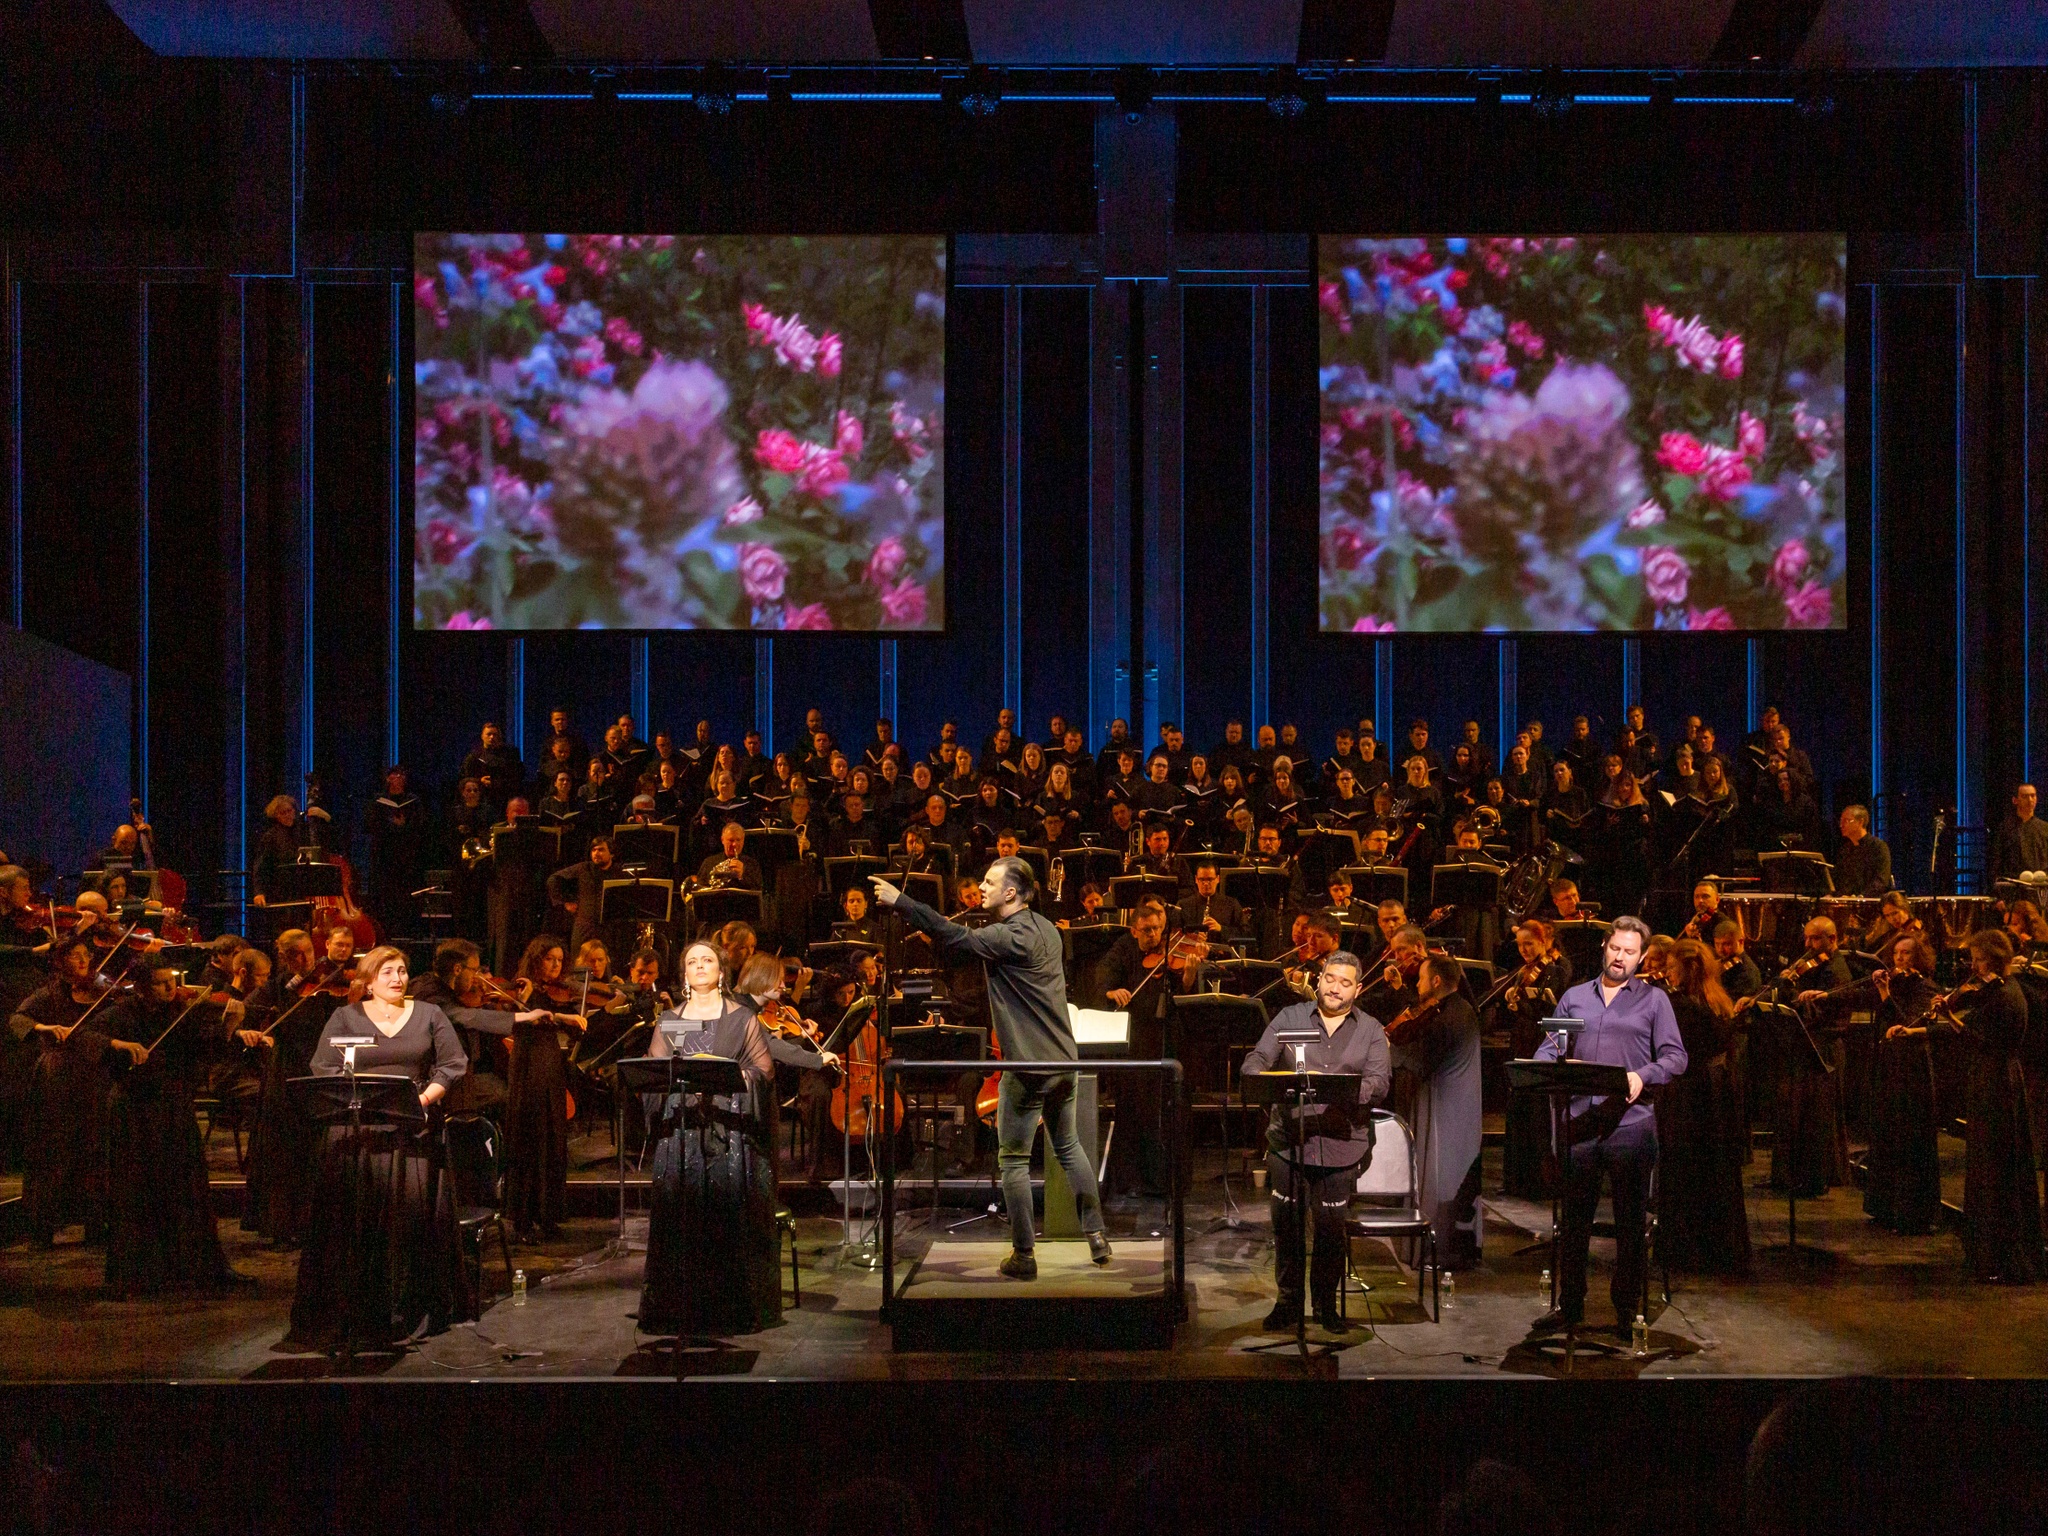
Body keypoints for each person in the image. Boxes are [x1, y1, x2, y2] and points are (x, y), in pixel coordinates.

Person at [871, 858, 1112, 1277]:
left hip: (1028, 1065)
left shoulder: (1008, 937)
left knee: (1014, 1161)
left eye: (989, 882)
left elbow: (951, 935)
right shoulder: (1049, 930)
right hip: (1064, 1061)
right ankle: (1097, 1237)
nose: (980, 887)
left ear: (1012, 893)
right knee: (1069, 1148)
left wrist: (902, 902)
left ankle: (1023, 1255)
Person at [285, 946, 470, 1352]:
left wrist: (420, 1101)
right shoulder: (344, 1017)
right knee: (353, 1223)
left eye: (402, 970)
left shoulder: (429, 1014)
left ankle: (407, 1309)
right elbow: (324, 1067)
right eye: (387, 972)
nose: (397, 978)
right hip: (358, 1136)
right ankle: (352, 1310)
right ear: (368, 981)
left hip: (412, 1133)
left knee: (410, 1222)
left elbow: (453, 1064)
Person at [1534, 915, 1688, 1336]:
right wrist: (1554, 1065)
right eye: (1615, 948)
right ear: (1605, 946)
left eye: (1630, 952)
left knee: (1629, 1223)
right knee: (1574, 1223)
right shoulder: (1574, 997)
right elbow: (1548, 1050)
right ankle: (1571, 1306)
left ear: (1641, 957)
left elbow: (1676, 1057)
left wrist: (1644, 1075)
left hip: (1629, 1126)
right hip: (1579, 1124)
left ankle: (1625, 1310)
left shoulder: (1654, 1001)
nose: (1620, 958)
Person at [641, 941, 798, 1334]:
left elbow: (763, 1071)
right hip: (684, 1136)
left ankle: (731, 1310)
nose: (700, 966)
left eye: (707, 959)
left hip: (730, 1138)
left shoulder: (741, 1017)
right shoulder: (671, 1019)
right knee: (684, 1222)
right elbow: (652, 1073)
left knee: (729, 1222)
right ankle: (681, 1310)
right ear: (684, 974)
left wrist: (727, 1075)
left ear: (721, 972)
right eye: (692, 961)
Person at [1240, 950, 1390, 1332]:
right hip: (1288, 1144)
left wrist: (1337, 1089)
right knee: (1286, 1228)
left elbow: (1379, 1083)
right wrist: (1261, 1078)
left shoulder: (1371, 1029)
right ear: (1318, 979)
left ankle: (1325, 1307)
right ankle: (1288, 1304)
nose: (1334, 988)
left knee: (1329, 1231)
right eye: (1329, 978)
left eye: (1344, 983)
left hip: (1342, 1146)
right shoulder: (1289, 1017)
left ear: (1357, 989)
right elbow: (1257, 1060)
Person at [1892, 931, 2044, 1281]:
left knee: (1996, 1168)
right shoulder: (1996, 990)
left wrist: (1946, 1016)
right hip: (1991, 1080)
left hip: (1998, 1085)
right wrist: (1919, 1030)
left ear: (1992, 960)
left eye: (1976, 959)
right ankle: (1987, 1252)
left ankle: (2002, 1255)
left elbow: (1975, 1037)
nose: (1972, 966)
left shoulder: (2006, 995)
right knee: (1986, 1165)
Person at [101, 962, 250, 1295]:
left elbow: (201, 1051)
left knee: (188, 1187)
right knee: (140, 1190)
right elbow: (89, 1037)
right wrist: (119, 1045)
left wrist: (229, 1027)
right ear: (140, 987)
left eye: (171, 982)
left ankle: (198, 1268)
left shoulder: (181, 1013)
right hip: (136, 1109)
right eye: (159, 984)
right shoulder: (121, 1012)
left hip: (173, 1105)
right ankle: (141, 1274)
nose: (170, 990)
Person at [10, 937, 147, 1245]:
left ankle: (96, 1223)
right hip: (57, 1076)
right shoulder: (48, 994)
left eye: (87, 955)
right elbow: (18, 1018)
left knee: (96, 1148)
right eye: (75, 956)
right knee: (54, 1149)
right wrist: (44, 1028)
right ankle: (41, 1228)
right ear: (61, 962)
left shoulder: (105, 994)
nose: (84, 961)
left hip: (95, 1075)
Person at [241, 927, 353, 1245]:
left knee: (317, 1149)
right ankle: (282, 1226)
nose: (305, 960)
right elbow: (247, 1013)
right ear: (286, 958)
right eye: (296, 955)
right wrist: (249, 1032)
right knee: (283, 1149)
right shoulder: (279, 988)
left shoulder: (331, 982)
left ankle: (314, 1224)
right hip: (286, 1071)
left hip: (322, 1069)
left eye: (308, 952)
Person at [1655, 940, 1753, 1276]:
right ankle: (1721, 1246)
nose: (1666, 972)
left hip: (1688, 1093)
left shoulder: (1679, 1006)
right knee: (1716, 1168)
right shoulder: (1717, 1000)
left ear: (1683, 969)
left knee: (1684, 1166)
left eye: (1670, 967)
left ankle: (1685, 1249)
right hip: (1716, 1091)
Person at [1391, 952, 1484, 1270]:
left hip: (1447, 1108)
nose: (1416, 984)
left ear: (1436, 981)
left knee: (1440, 1173)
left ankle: (1439, 1250)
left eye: (1419, 978)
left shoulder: (1450, 1017)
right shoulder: (1455, 1009)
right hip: (1452, 1104)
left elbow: (1419, 1062)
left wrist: (1387, 1048)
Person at [503, 935, 588, 1243]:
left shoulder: (550, 992)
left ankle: (548, 1215)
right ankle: (524, 1220)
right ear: (536, 959)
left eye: (560, 960)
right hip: (529, 1065)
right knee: (530, 1136)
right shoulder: (524, 986)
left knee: (551, 1135)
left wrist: (569, 1019)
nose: (556, 965)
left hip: (549, 1064)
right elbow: (524, 1017)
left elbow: (554, 1016)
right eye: (550, 959)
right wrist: (554, 1013)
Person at [1496, 919, 1572, 1200]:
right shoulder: (1524, 971)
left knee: (1539, 1114)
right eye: (1521, 945)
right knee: (1519, 1109)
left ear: (1545, 942)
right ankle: (1517, 1180)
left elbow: (1555, 1006)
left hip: (1544, 1043)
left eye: (1530, 944)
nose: (1525, 950)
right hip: (1523, 1041)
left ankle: (1542, 1182)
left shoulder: (1559, 967)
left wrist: (1523, 1003)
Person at [545, 835, 616, 954]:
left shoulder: (618, 872)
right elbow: (553, 879)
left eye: (601, 850)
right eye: (594, 850)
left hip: (609, 928)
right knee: (579, 962)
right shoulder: (583, 868)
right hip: (584, 926)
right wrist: (565, 901)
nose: (596, 853)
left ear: (611, 853)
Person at [1990, 784, 2048, 881]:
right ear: (2015, 800)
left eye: (2033, 796)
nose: (2030, 800)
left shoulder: (2045, 828)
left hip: (2041, 884)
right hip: (2013, 884)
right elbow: (1996, 859)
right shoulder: (2005, 828)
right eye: (2025, 796)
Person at [1832, 804, 1892, 896]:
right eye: (1841, 821)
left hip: (1871, 903)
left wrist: (1861, 896)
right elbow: (1840, 881)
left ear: (1860, 822)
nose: (1841, 825)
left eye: (1846, 821)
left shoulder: (1878, 847)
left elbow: (1881, 881)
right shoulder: (1845, 850)